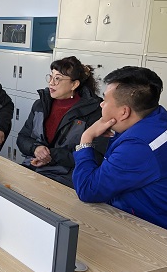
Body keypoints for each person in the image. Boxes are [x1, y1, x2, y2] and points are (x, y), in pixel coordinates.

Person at [73, 66, 167, 239]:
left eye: (105, 100)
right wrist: (117, 131)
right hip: (153, 214)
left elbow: (87, 190)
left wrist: (86, 138)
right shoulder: (157, 117)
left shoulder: (139, 146)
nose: (101, 104)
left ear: (124, 112)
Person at [16, 56, 104, 188]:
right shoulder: (41, 105)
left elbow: (95, 156)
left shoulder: (93, 112)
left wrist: (51, 155)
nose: (51, 83)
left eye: (57, 78)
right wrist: (35, 149)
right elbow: (22, 138)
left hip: (65, 177)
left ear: (74, 84)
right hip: (33, 167)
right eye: (51, 77)